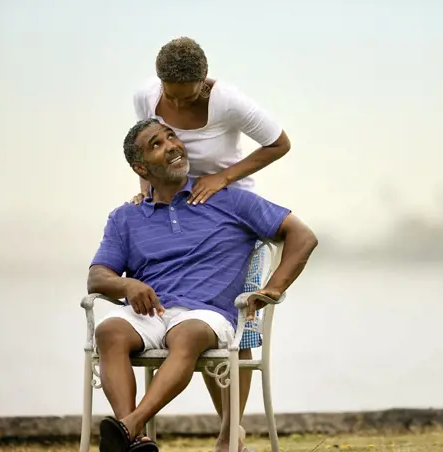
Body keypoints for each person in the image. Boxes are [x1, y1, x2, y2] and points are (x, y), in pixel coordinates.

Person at [90, 118, 317, 452]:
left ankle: (129, 427)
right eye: (157, 144)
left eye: (171, 137)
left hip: (207, 314)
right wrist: (127, 287)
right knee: (108, 330)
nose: (171, 146)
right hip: (150, 313)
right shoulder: (126, 217)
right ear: (141, 167)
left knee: (188, 333)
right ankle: (134, 441)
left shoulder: (231, 201)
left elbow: (303, 237)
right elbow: (97, 277)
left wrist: (273, 288)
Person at [131, 36, 291, 427]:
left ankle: (230, 430)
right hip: (178, 212)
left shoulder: (228, 102)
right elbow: (140, 149)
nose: (179, 105)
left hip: (230, 217)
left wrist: (223, 177)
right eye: (172, 96)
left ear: (204, 82)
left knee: (233, 327)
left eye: (188, 97)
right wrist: (146, 193)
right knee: (190, 316)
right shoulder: (146, 97)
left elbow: (279, 143)